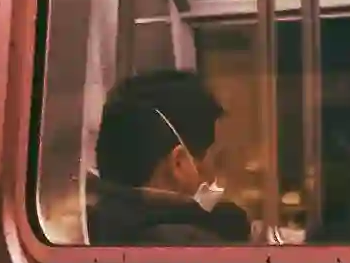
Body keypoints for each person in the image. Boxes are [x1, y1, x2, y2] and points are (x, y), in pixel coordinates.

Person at [87, 67, 255, 245]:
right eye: (217, 161)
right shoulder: (197, 247)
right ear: (179, 164)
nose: (219, 179)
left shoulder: (87, 233)